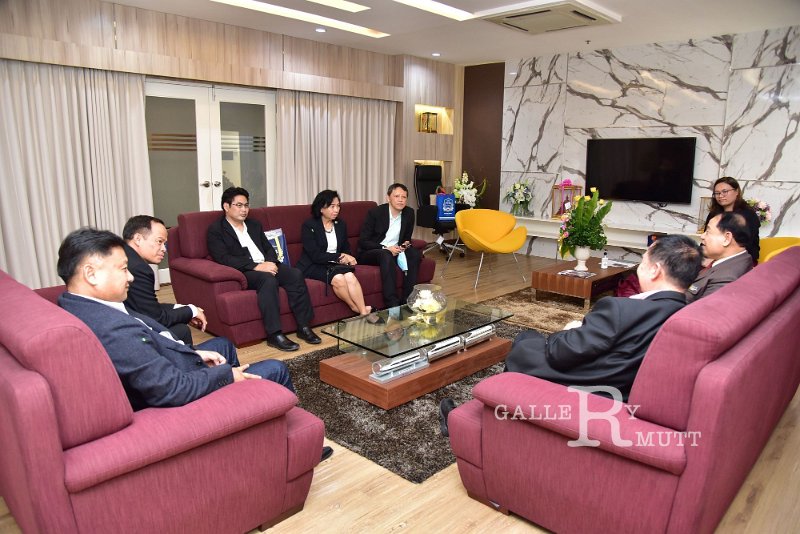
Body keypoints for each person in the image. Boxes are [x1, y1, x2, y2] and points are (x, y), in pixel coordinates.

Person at [440, 235, 703, 436]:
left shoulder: (622, 309)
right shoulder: (687, 312)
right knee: (530, 340)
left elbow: (561, 352)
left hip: (589, 381)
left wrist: (569, 330)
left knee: (525, 342)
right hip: (619, 381)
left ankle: (478, 425)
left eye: (642, 262)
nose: (638, 268)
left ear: (655, 270)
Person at [56, 227, 296, 410]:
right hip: (184, 394)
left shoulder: (77, 303)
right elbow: (171, 389)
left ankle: (251, 413)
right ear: (91, 274)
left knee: (222, 345)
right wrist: (226, 375)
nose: (130, 277)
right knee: (276, 368)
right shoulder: (113, 329)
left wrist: (190, 353)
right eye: (122, 269)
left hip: (171, 364)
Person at [207, 187, 321, 352]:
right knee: (268, 280)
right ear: (226, 206)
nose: (244, 210)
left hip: (266, 265)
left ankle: (303, 326)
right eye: (239, 205)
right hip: (245, 271)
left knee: (295, 274)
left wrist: (271, 262)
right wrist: (256, 266)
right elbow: (223, 258)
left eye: (246, 205)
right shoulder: (216, 230)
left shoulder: (254, 225)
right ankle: (274, 334)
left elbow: (268, 248)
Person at [122, 215, 207, 346]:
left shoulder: (124, 255)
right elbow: (156, 318)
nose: (164, 249)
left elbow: (146, 307)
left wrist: (181, 308)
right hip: (128, 334)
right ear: (138, 239)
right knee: (181, 331)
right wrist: (191, 311)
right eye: (159, 241)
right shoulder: (138, 268)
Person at [296, 190, 371, 316]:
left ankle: (363, 312)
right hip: (313, 265)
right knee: (339, 279)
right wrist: (340, 256)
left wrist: (347, 257)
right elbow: (315, 255)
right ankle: (355, 308)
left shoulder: (340, 224)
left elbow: (345, 247)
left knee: (350, 277)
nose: (336, 210)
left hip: (333, 264)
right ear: (321, 208)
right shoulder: (309, 226)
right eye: (332, 206)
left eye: (338, 206)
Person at [357, 183, 422, 308]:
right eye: (396, 196)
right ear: (388, 198)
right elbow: (363, 241)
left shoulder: (409, 213)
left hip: (396, 250)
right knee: (386, 255)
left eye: (404, 197)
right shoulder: (375, 213)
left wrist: (404, 245)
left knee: (414, 254)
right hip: (372, 252)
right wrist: (385, 248)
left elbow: (407, 238)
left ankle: (408, 301)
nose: (400, 200)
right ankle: (392, 304)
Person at [687, 212, 753, 303]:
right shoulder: (736, 261)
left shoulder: (726, 279)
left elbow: (701, 310)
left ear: (727, 238)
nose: (702, 236)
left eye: (708, 232)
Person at [704, 176, 760, 263]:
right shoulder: (714, 214)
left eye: (725, 191)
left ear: (736, 191)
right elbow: (706, 238)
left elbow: (748, 246)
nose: (720, 196)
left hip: (741, 261)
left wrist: (716, 260)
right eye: (717, 193)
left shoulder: (748, 215)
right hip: (714, 258)